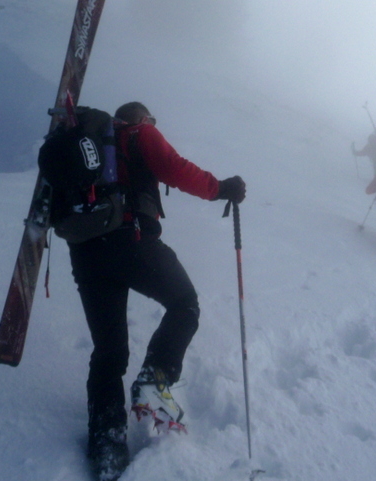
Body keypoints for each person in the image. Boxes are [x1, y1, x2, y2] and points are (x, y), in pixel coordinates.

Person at [67, 101, 246, 480]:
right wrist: (221, 189)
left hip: (86, 254)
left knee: (108, 351)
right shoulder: (139, 133)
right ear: (143, 118)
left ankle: (107, 444)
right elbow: (175, 168)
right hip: (131, 242)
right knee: (185, 304)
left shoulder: (86, 149)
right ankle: (154, 377)